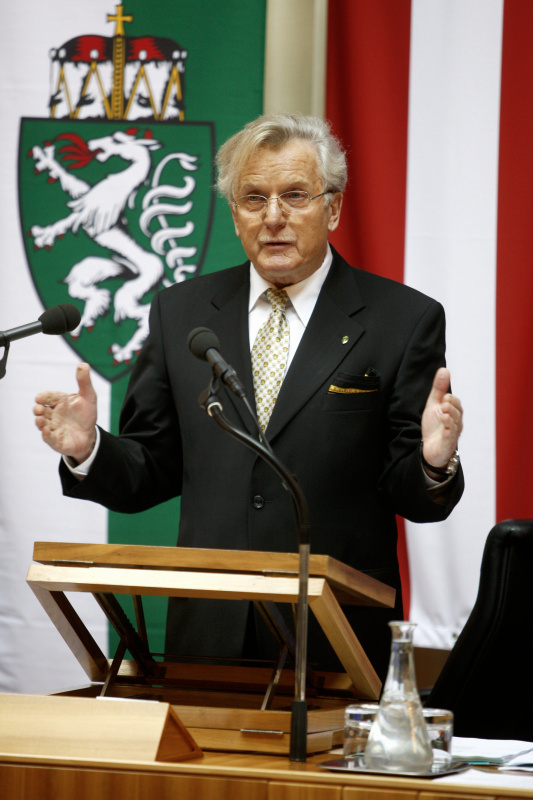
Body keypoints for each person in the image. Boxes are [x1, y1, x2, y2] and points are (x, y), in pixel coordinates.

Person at [34, 114, 464, 681]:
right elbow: (151, 470)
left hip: (335, 637)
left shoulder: (402, 320)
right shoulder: (181, 312)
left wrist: (434, 462)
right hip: (207, 637)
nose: (273, 218)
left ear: (333, 208)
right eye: (253, 199)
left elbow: (411, 494)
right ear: (234, 214)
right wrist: (90, 448)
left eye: (294, 195)